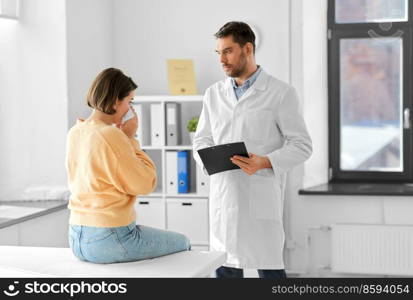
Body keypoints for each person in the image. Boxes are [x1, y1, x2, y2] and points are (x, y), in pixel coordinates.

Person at [193, 22, 312, 278]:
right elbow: (201, 139)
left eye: (228, 51)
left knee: (269, 269)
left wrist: (266, 161)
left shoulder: (280, 93)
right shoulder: (214, 94)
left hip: (260, 195)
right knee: (224, 269)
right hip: (225, 195)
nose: (222, 60)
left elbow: (302, 145)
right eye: (219, 53)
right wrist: (208, 159)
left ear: (247, 49)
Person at [65, 68, 190, 264]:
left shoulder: (76, 131)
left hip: (76, 237)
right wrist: (130, 138)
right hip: (109, 237)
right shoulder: (111, 135)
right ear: (116, 100)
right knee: (183, 242)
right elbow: (146, 183)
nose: (129, 110)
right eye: (129, 102)